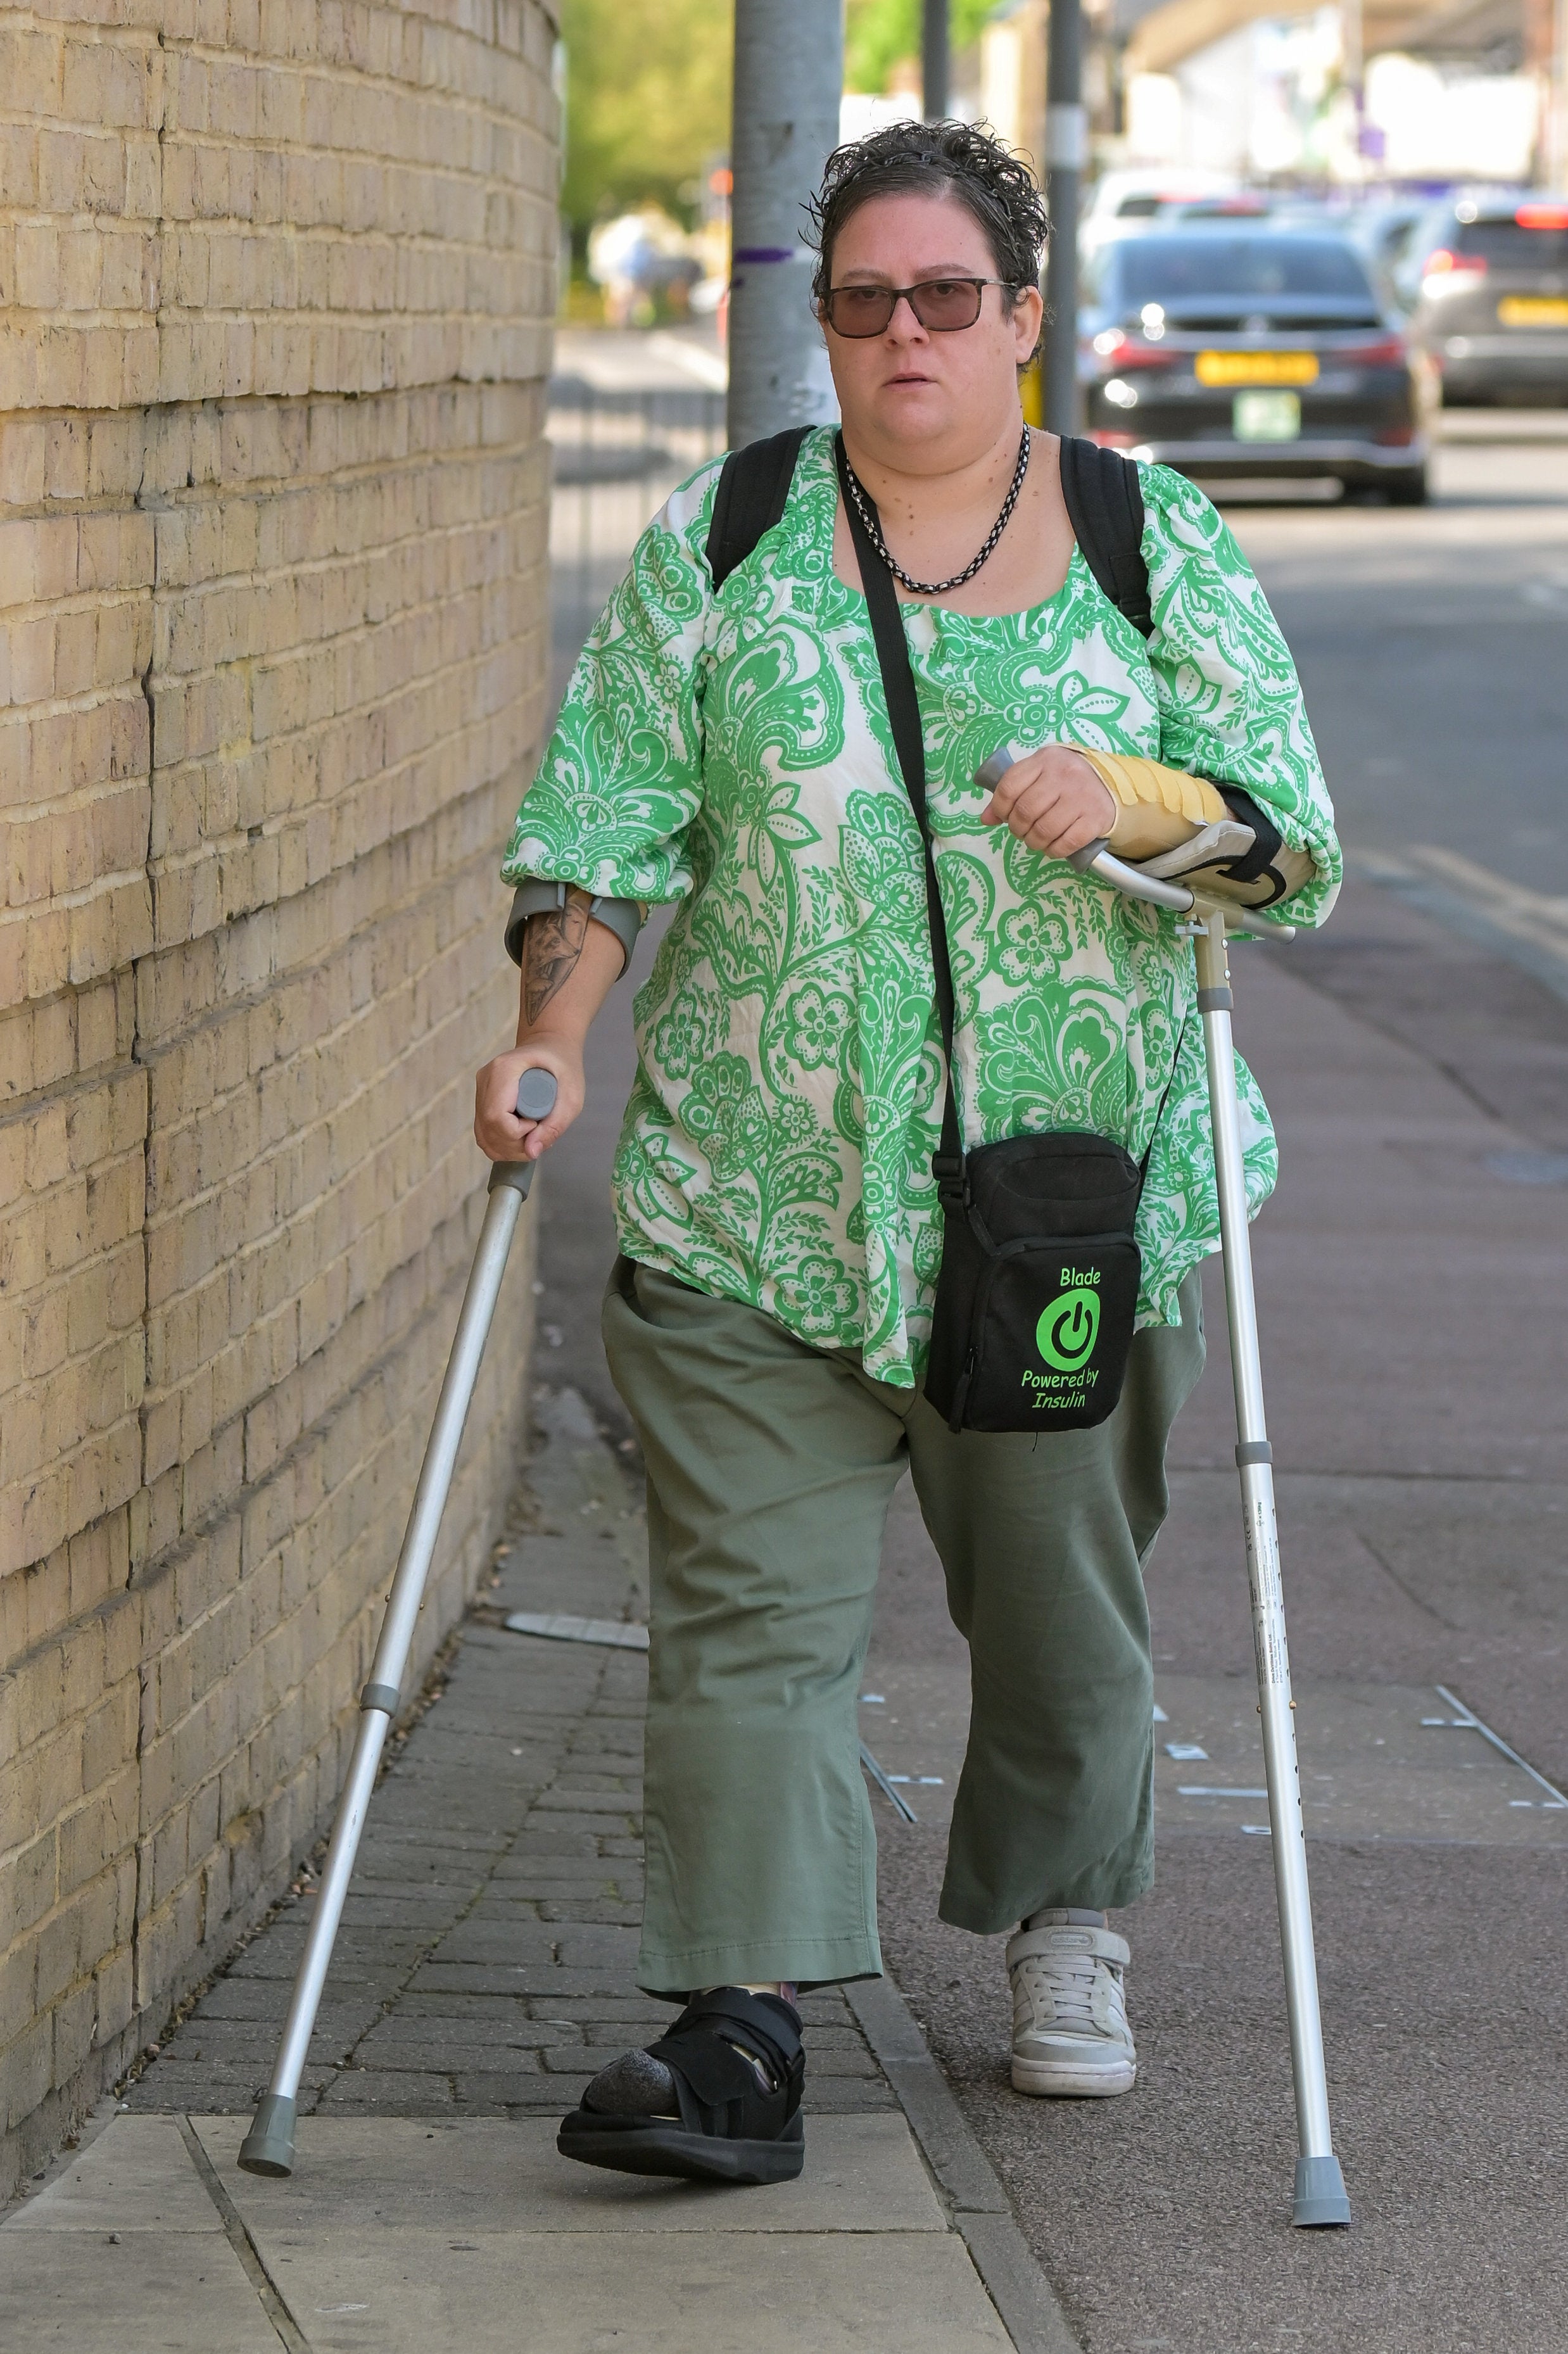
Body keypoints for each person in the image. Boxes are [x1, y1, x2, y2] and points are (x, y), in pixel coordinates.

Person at [474, 120, 1339, 2187]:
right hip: (746, 1192)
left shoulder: (1151, 537)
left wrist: (1136, 793)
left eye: (945, 298)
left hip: (1051, 1213)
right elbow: (597, 833)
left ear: (1024, 319)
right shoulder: (726, 537)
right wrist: (547, 1035)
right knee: (749, 1616)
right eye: (857, 302)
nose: (900, 337)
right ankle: (743, 2025)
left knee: (1053, 1601)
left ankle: (1063, 1919)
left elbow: (1287, 847)